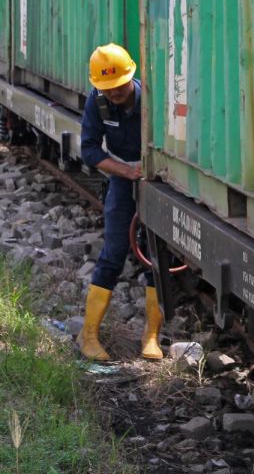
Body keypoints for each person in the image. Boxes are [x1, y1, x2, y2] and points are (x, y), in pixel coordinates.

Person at [78, 43, 163, 361]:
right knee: (113, 252)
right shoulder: (97, 102)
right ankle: (88, 336)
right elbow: (89, 150)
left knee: (155, 255)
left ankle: (151, 336)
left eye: (119, 87)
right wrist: (126, 171)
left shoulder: (151, 100)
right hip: (123, 178)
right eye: (107, 88)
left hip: (156, 182)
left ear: (131, 76)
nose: (113, 93)